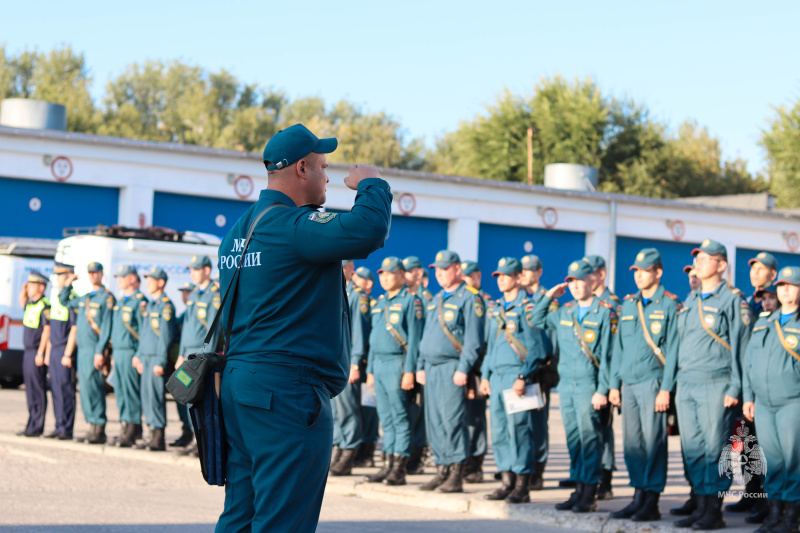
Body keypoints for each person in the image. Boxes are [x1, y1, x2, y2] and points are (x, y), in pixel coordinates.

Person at [215, 124, 392, 532]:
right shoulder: (294, 225)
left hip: (242, 386)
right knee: (283, 521)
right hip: (285, 392)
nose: (328, 176)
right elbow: (368, 230)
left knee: (241, 513)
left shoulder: (239, 232)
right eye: (323, 167)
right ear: (301, 169)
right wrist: (372, 185)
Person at [672, 239, 752, 530]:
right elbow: (679, 347)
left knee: (715, 450)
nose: (699, 262)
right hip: (688, 384)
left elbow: (742, 348)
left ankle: (713, 511)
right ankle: (701, 503)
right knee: (692, 448)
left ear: (722, 265)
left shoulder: (733, 300)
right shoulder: (691, 299)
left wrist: (736, 387)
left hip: (717, 384)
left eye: (706, 258)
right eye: (698, 258)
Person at [530, 259, 615, 513]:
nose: (576, 286)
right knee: (574, 440)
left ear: (592, 281)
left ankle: (590, 492)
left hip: (589, 384)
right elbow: (536, 319)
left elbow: (609, 355)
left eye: (580, 280)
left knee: (590, 440)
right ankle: (578, 489)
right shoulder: (564, 311)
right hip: (566, 384)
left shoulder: (604, 312)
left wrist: (603, 389)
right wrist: (548, 295)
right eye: (571, 281)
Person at [607, 249, 681, 521]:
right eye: (635, 271)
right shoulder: (628, 304)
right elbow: (619, 348)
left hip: (653, 382)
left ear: (657, 272)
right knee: (632, 444)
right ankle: (637, 494)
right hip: (629, 383)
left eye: (644, 270)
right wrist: (614, 384)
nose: (638, 275)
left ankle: (652, 498)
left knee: (653, 443)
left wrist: (666, 388)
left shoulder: (670, 305)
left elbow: (673, 350)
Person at [479, 257, 548, 504]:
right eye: (498, 276)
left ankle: (522, 485)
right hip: (497, 376)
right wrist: (485, 375)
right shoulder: (496, 308)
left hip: (517, 377)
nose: (500, 280)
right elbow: (490, 345)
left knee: (519, 431)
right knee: (499, 431)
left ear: (518, 278)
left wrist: (523, 376)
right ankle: (506, 482)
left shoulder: (527, 308)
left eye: (506, 275)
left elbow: (537, 349)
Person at [417, 250, 485, 494]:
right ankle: (441, 469)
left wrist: (464, 368)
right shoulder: (437, 298)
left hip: (451, 367)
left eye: (444, 269)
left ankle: (456, 472)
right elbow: (426, 335)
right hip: (432, 368)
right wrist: (420, 365)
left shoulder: (469, 298)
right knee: (434, 421)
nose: (439, 274)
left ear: (458, 269)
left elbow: (473, 340)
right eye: (437, 269)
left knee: (452, 420)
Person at [742, 266, 800, 533]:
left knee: (793, 461)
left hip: (792, 401)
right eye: (782, 285)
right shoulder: (765, 321)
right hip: (763, 404)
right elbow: (750, 361)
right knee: (773, 461)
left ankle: (791, 517)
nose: (785, 290)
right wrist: (749, 397)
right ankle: (774, 513)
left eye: (791, 285)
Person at [725, 252, 778, 521]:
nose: (755, 272)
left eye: (762, 268)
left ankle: (769, 502)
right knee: (747, 442)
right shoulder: (747, 302)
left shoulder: (776, 306)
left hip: (765, 386)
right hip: (745, 384)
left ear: (774, 275)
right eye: (753, 268)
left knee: (767, 446)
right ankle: (751, 493)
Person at [363, 257, 423, 485]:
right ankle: (387, 463)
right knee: (385, 417)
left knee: (400, 417)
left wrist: (409, 370)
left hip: (398, 364)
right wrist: (370, 369)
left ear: (402, 275)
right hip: (379, 364)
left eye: (390, 273)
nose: (385, 277)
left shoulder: (410, 301)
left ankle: (399, 467)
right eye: (382, 274)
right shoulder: (380, 302)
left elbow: (415, 341)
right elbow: (374, 339)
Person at [59, 262, 115, 444]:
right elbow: (64, 301)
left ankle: (99, 428)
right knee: (85, 390)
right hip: (82, 350)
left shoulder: (106, 298)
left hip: (94, 349)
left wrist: (101, 351)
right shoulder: (86, 298)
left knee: (95, 389)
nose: (92, 276)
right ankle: (91, 425)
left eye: (95, 272)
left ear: (101, 274)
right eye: (90, 273)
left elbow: (106, 328)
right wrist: (68, 283)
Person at [173, 256, 221, 454]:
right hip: (188, 355)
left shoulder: (214, 295)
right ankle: (194, 438)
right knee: (188, 395)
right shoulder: (193, 295)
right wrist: (181, 355)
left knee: (202, 399)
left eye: (196, 269)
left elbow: (214, 328)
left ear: (207, 271)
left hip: (200, 356)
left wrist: (205, 356)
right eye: (191, 269)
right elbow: (187, 328)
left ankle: (204, 442)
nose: (192, 273)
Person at [583, 254, 620, 500]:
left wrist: (610, 384)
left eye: (591, 273)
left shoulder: (612, 304)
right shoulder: (586, 301)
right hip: (585, 378)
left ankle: (605, 479)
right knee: (587, 430)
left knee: (604, 430)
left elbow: (614, 346)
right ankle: (587, 475)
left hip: (604, 377)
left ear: (601, 274)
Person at [521, 253, 559, 491]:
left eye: (527, 270)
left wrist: (546, 370)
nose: (523, 274)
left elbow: (552, 341)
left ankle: (538, 469)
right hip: (524, 370)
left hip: (540, 372)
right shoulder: (522, 299)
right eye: (521, 271)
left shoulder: (548, 301)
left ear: (538, 272)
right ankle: (524, 465)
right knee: (523, 423)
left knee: (539, 424)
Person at [329, 260, 371, 476]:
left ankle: (349, 452)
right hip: (334, 361)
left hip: (348, 361)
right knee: (336, 411)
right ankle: (337, 447)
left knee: (348, 410)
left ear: (349, 269)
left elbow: (360, 334)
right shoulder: (333, 290)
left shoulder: (358, 295)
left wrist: (355, 363)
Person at [131, 268, 176, 451]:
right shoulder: (149, 306)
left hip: (156, 358)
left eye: (152, 280)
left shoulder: (166, 306)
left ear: (161, 282)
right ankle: (150, 433)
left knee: (156, 397)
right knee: (146, 397)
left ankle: (158, 437)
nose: (148, 283)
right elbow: (144, 334)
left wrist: (161, 361)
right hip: (146, 357)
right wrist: (139, 355)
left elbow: (165, 337)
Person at [106, 265, 147, 447]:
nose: (119, 280)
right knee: (120, 392)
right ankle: (125, 427)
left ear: (132, 279)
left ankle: (132, 429)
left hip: (131, 352)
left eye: (122, 277)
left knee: (130, 393)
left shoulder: (140, 302)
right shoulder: (121, 302)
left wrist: (139, 354)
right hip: (120, 352)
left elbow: (144, 332)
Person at [460, 260, 490, 484]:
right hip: (462, 366)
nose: (465, 281)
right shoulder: (460, 300)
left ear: (478, 277)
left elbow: (485, 339)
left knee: (475, 417)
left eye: (468, 277)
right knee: (461, 417)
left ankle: (476, 463)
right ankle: (464, 459)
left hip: (477, 368)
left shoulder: (482, 302)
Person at [402, 255, 433, 475]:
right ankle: (412, 452)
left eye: (408, 271)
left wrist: (417, 367)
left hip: (422, 363)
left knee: (420, 412)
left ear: (418, 274)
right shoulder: (406, 297)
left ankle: (419, 454)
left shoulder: (426, 299)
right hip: (410, 362)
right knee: (411, 411)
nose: (404, 275)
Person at [45, 263, 78, 440]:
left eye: (61, 275)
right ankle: (59, 425)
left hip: (65, 351)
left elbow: (74, 328)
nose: (57, 279)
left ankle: (66, 428)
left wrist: (67, 353)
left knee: (66, 389)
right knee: (56, 389)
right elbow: (52, 327)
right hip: (55, 349)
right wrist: (49, 352)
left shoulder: (72, 298)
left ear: (68, 277)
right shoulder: (56, 297)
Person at [17, 271, 51, 437]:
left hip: (36, 351)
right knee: (29, 390)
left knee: (38, 390)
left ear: (41, 287)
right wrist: (24, 289)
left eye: (32, 285)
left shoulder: (45, 305)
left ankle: (37, 426)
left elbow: (46, 330)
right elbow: (22, 301)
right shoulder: (31, 304)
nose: (29, 288)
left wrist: (41, 352)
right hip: (27, 352)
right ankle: (31, 423)